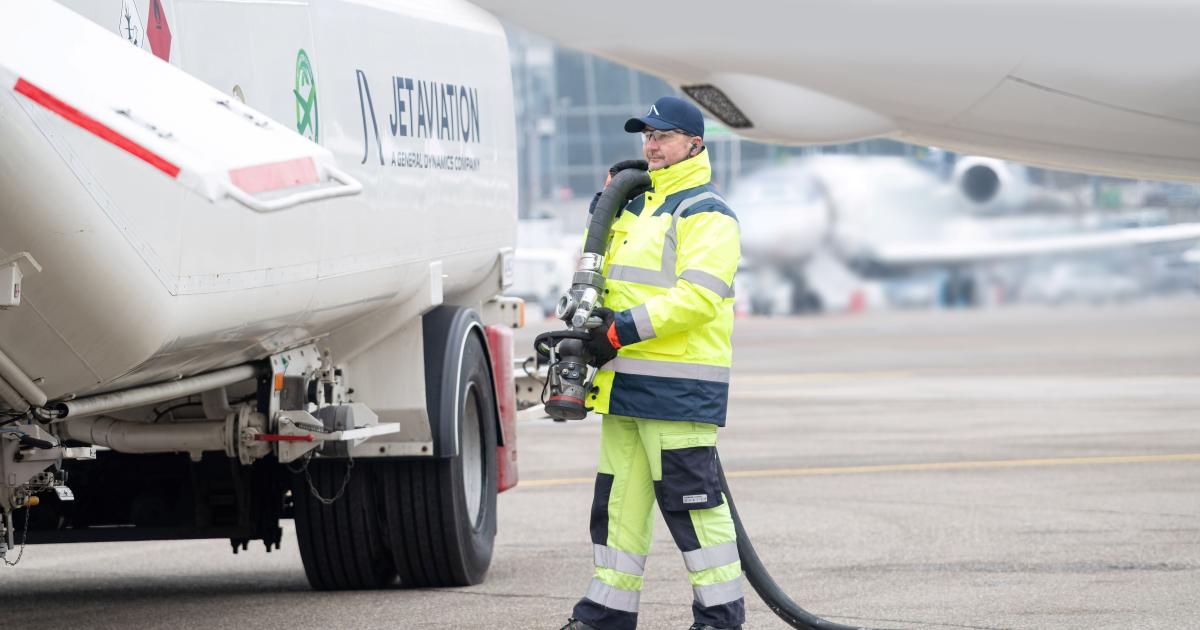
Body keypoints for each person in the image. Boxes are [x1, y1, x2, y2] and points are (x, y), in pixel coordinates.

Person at [559, 96, 744, 630]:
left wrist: (617, 332)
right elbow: (604, 284)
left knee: (695, 510)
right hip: (624, 387)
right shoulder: (635, 210)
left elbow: (697, 298)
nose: (652, 144)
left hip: (678, 389)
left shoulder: (706, 213)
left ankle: (720, 620)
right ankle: (604, 616)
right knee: (617, 509)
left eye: (662, 135)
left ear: (694, 143)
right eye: (646, 135)